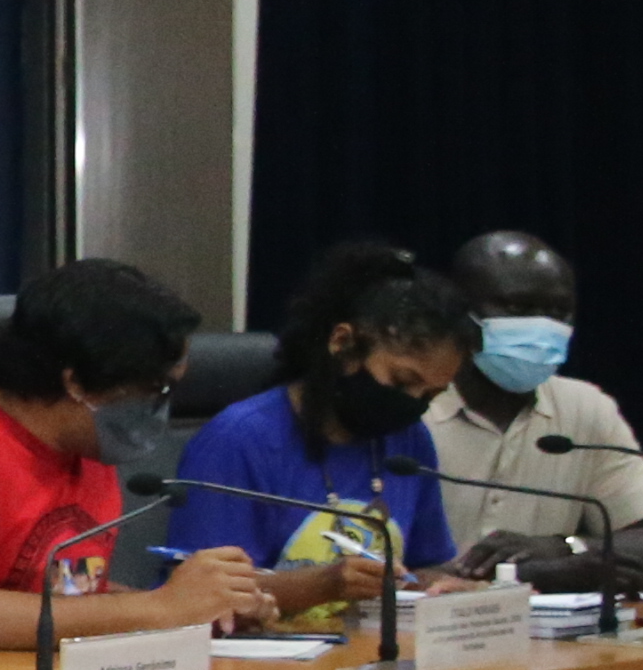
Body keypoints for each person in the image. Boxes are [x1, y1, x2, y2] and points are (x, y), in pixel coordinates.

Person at [0, 257, 269, 659]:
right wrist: (159, 609)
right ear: (76, 382)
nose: (162, 407)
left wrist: (201, 611)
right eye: (155, 389)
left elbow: (66, 600)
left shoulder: (89, 448)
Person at [168, 240, 476, 631]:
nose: (412, 405)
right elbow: (200, 600)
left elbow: (424, 565)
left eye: (430, 395)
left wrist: (443, 587)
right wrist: (324, 585)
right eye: (402, 381)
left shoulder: (409, 441)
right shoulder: (239, 440)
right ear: (342, 343)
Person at [420, 231, 643, 587]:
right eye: (519, 309)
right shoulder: (412, 404)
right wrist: (524, 575)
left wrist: (563, 547)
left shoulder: (585, 408)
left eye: (559, 312)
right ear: (460, 311)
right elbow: (380, 566)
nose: (543, 325)